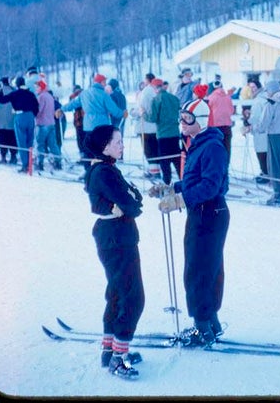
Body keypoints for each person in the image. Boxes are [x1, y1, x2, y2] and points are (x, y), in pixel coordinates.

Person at [150, 97, 229, 347]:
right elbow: (196, 180)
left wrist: (180, 200)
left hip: (209, 213)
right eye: (181, 118)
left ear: (201, 121)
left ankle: (202, 327)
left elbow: (210, 185)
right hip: (204, 212)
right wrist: (171, 187)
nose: (182, 124)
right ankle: (210, 322)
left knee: (198, 270)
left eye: (187, 119)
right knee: (206, 268)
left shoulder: (212, 147)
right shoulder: (198, 143)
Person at [84, 125, 145, 379]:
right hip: (117, 239)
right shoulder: (104, 173)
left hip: (116, 237)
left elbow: (134, 198)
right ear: (105, 146)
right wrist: (126, 203)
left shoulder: (106, 169)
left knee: (117, 293)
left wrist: (128, 201)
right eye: (117, 141)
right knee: (132, 297)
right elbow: (132, 204)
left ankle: (110, 350)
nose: (122, 145)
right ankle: (119, 357)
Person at [58, 74, 127, 171]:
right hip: (102, 127)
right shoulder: (104, 94)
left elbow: (73, 104)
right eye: (104, 82)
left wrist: (62, 109)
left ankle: (88, 170)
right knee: (102, 150)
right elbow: (114, 110)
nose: (105, 84)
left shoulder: (84, 93)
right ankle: (102, 171)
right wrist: (122, 113)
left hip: (88, 127)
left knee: (89, 149)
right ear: (101, 82)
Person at [0, 76, 39, 173]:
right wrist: (33, 115)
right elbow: (37, 106)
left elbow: (2, 100)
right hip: (30, 117)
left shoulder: (15, 93)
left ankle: (25, 165)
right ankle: (30, 163)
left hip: (20, 116)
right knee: (30, 142)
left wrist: (0, 90)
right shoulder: (31, 94)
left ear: (17, 84)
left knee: (21, 142)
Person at [145, 78, 182, 184]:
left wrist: (143, 114)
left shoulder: (156, 99)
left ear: (154, 88)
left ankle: (167, 184)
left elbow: (152, 118)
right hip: (175, 133)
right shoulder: (174, 98)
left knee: (165, 161)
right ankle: (183, 181)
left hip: (163, 135)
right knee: (177, 159)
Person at [35, 79, 62, 171]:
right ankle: (58, 162)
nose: (36, 89)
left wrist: (34, 115)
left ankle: (40, 163)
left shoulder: (41, 97)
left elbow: (39, 110)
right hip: (51, 123)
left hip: (42, 124)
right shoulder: (50, 96)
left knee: (40, 144)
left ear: (41, 87)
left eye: (37, 87)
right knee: (53, 144)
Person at [206, 79, 235, 164]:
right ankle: (225, 170)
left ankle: (217, 170)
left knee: (216, 150)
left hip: (215, 127)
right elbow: (232, 110)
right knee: (227, 149)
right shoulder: (227, 97)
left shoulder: (211, 98)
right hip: (227, 126)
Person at [138, 73, 161, 179]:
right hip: (156, 126)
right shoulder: (156, 91)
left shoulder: (146, 91)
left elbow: (141, 107)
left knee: (149, 149)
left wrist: (136, 112)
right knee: (155, 148)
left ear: (147, 80)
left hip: (146, 125)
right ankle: (156, 169)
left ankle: (154, 172)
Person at [247, 79, 270, 183]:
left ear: (258, 87)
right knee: (266, 152)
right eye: (250, 87)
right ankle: (266, 172)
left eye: (254, 87)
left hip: (260, 129)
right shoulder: (265, 97)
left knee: (261, 152)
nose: (252, 90)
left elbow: (256, 117)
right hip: (267, 130)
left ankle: (265, 174)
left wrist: (248, 119)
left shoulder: (258, 100)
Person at [0, 76, 18, 166]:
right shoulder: (14, 92)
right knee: (12, 140)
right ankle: (13, 157)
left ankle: (3, 157)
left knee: (2, 140)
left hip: (0, 122)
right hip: (12, 122)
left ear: (1, 83)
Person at [69, 84, 85, 160]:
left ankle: (83, 158)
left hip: (78, 121)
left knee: (80, 140)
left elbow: (71, 105)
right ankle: (87, 157)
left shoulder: (74, 96)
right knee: (86, 140)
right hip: (88, 121)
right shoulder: (86, 94)